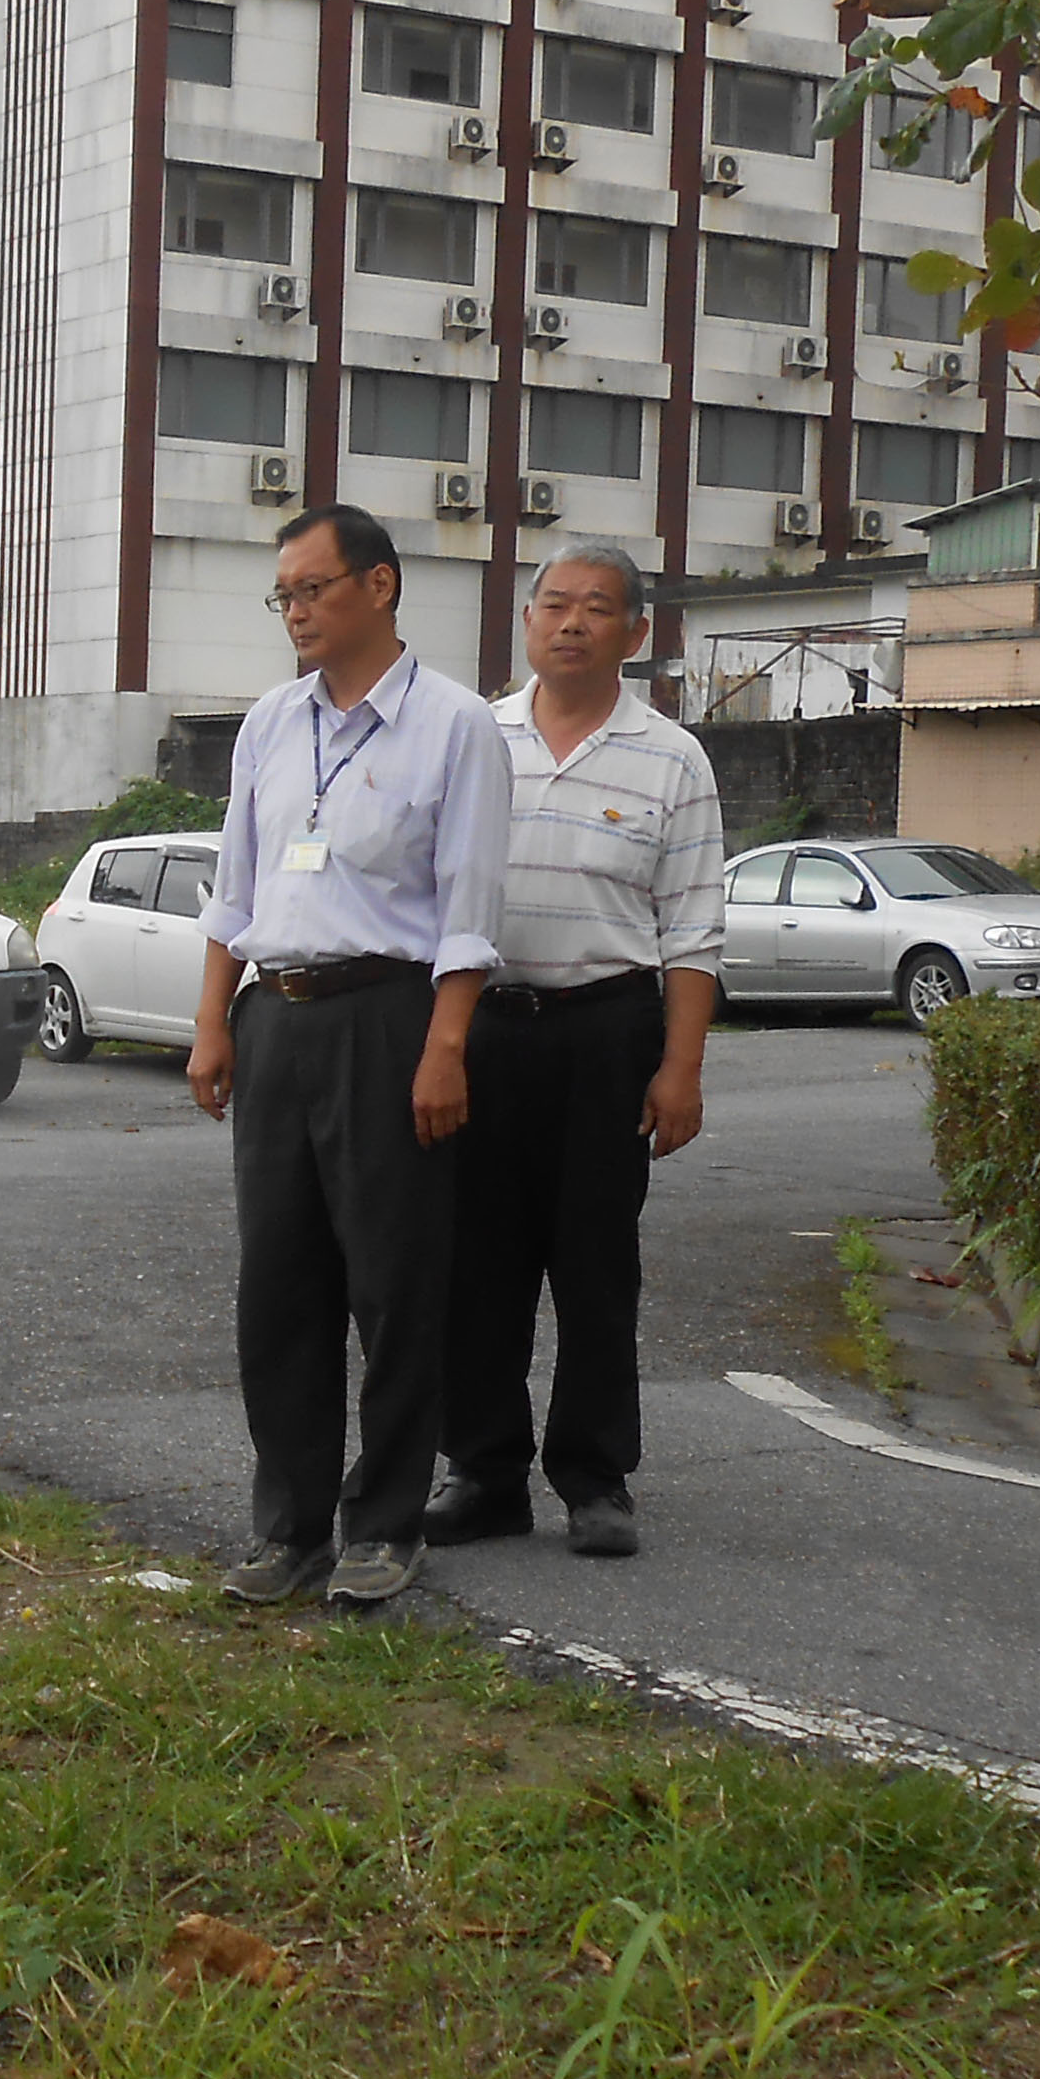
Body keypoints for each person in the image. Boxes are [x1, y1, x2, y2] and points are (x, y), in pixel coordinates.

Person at [190, 503, 513, 1611]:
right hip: (275, 1017)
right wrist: (213, 1020)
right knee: (277, 1287)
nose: (295, 611)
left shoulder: (456, 727)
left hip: (391, 1019)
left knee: (394, 1283)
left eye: (312, 589)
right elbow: (233, 889)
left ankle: (383, 1522)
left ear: (378, 587)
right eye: (282, 594)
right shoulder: (271, 724)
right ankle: (285, 1526)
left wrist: (445, 1047)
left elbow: (469, 909)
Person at [424, 542, 723, 1562]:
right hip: (485, 1026)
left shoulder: (673, 757)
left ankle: (596, 1479)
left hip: (607, 1030)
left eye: (597, 608)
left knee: (597, 1264)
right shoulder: (473, 738)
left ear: (636, 633)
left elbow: (692, 931)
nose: (572, 623)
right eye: (554, 604)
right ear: (526, 620)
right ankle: (484, 1473)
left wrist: (679, 1068)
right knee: (476, 1264)